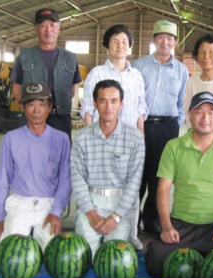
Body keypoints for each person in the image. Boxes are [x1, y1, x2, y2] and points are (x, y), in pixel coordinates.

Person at [145, 91, 213, 278]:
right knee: (156, 262)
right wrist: (167, 227)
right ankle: (196, 260)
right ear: (190, 114)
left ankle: (196, 261)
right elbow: (163, 189)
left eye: (211, 112)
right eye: (199, 111)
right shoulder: (174, 146)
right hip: (181, 224)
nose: (205, 117)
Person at [79, 24, 148, 250]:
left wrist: (141, 140)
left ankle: (132, 232)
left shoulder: (136, 75)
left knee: (131, 187)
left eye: (124, 41)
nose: (120, 45)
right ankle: (95, 223)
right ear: (107, 46)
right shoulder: (97, 73)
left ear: (130, 47)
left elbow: (140, 110)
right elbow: (88, 109)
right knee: (99, 185)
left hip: (129, 142)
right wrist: (93, 139)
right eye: (115, 41)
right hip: (101, 138)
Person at [71, 79, 145, 258]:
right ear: (95, 104)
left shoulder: (135, 138)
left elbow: (134, 184)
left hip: (121, 206)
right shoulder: (82, 138)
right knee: (86, 257)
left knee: (114, 259)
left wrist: (116, 217)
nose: (108, 107)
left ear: (122, 104)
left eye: (114, 101)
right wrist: (91, 214)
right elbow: (77, 179)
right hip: (91, 202)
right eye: (102, 101)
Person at [0, 82, 71, 251]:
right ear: (23, 107)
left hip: (48, 206)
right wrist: (1, 218)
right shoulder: (11, 139)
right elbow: (2, 180)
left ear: (49, 107)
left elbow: (65, 180)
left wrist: (56, 211)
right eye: (31, 104)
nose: (36, 110)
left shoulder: (61, 139)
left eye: (41, 104)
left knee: (55, 257)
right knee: (10, 254)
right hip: (20, 203)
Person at [132, 20, 189, 236]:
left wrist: (176, 124)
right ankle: (132, 219)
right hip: (141, 125)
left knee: (159, 176)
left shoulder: (181, 70)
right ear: (154, 40)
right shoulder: (139, 65)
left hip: (167, 127)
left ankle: (152, 219)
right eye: (161, 37)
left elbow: (183, 102)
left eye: (170, 38)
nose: (165, 41)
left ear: (175, 42)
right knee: (137, 174)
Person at [10, 8, 82, 139]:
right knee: (29, 157)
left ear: (59, 28)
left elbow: (72, 91)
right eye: (43, 25)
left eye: (52, 25)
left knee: (60, 157)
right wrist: (33, 109)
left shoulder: (70, 58)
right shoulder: (24, 57)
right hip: (31, 120)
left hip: (61, 121)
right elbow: (16, 90)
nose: (48, 30)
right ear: (36, 29)